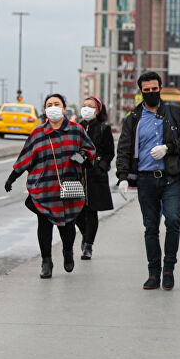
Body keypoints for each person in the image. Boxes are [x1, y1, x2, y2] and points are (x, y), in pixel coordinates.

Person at [116, 72, 180, 290]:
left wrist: (168, 148)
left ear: (161, 87)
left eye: (154, 89)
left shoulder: (174, 112)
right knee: (150, 227)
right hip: (146, 180)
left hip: (171, 178)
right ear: (140, 91)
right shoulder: (133, 118)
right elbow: (123, 149)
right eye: (146, 90)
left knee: (173, 221)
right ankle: (153, 272)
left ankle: (169, 268)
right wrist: (122, 177)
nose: (151, 93)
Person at [5, 94, 95, 279]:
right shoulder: (38, 133)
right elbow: (25, 157)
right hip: (44, 188)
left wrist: (79, 158)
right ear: (45, 109)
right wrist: (12, 177)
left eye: (57, 104)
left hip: (69, 188)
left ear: (64, 109)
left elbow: (89, 150)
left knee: (68, 226)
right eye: (49, 105)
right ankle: (46, 261)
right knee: (44, 225)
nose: (53, 107)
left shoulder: (76, 130)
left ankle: (67, 252)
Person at [76, 96, 114, 260]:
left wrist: (101, 167)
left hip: (96, 174)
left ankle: (88, 245)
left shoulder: (104, 129)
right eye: (84, 106)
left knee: (91, 211)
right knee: (77, 212)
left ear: (98, 110)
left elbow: (109, 153)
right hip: (78, 174)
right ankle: (85, 235)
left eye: (90, 106)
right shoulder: (77, 128)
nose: (86, 109)